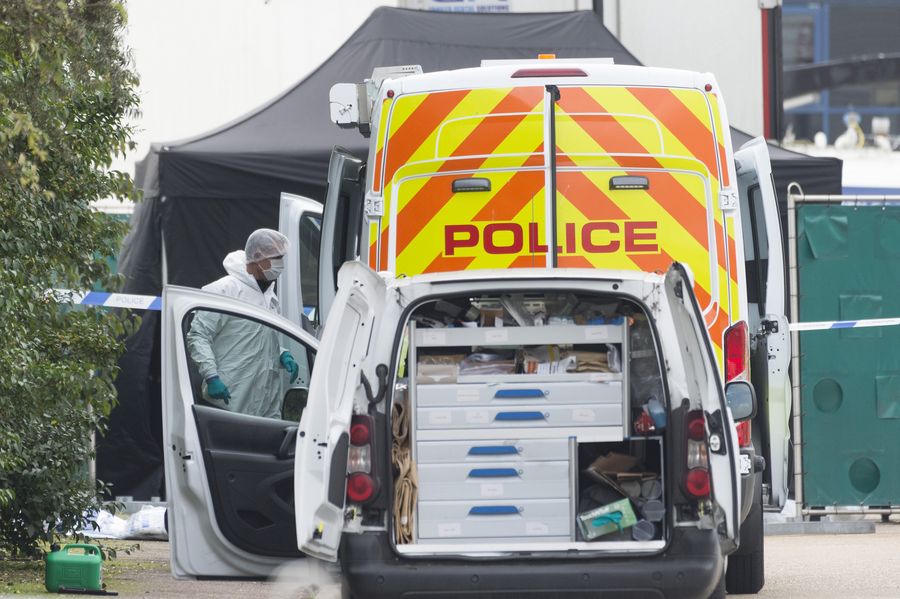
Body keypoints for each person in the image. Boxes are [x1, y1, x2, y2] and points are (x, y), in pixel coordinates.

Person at [186, 229, 300, 418]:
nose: (280, 264)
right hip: (230, 398)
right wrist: (211, 376)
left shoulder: (269, 295)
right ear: (258, 257)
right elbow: (199, 335)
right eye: (276, 258)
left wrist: (280, 354)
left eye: (281, 258)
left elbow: (252, 338)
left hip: (266, 402)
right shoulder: (226, 290)